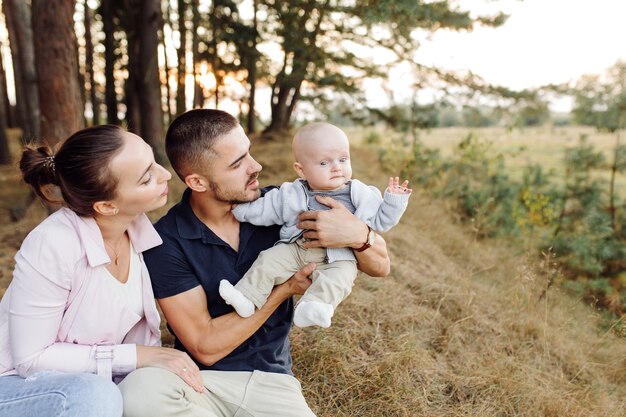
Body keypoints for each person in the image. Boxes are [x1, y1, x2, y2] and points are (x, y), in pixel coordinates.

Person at [120, 109, 391, 417]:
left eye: (248, 153)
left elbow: (380, 267)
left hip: (272, 382)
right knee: (137, 392)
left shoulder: (278, 206)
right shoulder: (167, 240)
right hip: (199, 384)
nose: (256, 166)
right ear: (197, 181)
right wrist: (284, 290)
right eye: (237, 163)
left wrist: (359, 236)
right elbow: (205, 346)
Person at [0, 125, 205, 417]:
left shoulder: (139, 232)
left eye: (154, 162)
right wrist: (136, 356)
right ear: (107, 206)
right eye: (147, 178)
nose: (166, 175)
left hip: (96, 390)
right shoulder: (53, 244)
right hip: (14, 386)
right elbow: (30, 359)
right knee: (95, 394)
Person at [219, 122, 411, 328]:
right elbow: (267, 208)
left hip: (339, 257)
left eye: (343, 159)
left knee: (340, 279)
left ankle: (314, 307)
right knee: (268, 260)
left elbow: (382, 222)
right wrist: (239, 211)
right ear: (301, 170)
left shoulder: (360, 194)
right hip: (297, 249)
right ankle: (247, 297)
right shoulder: (290, 193)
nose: (337, 167)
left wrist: (393, 200)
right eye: (324, 163)